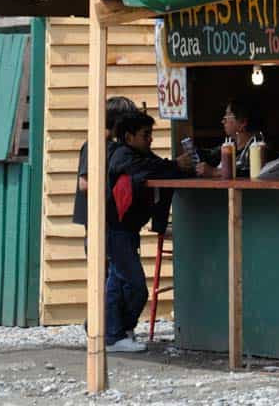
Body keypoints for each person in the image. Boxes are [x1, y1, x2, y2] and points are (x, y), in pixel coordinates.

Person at [103, 110, 190, 352]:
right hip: (116, 229)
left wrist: (175, 166)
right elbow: (152, 169)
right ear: (129, 137)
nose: (150, 139)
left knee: (117, 284)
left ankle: (111, 332)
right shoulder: (122, 157)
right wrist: (174, 165)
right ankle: (116, 332)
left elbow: (157, 166)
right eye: (146, 135)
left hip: (125, 229)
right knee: (135, 285)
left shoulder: (137, 155)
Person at [72, 96, 139, 228]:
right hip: (100, 223)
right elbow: (84, 184)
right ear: (118, 122)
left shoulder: (115, 146)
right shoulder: (95, 145)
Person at [195, 97, 263, 178]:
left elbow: (253, 172)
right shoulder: (230, 146)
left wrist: (215, 172)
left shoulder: (258, 148)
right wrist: (192, 153)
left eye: (227, 116)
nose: (223, 121)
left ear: (242, 123)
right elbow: (209, 155)